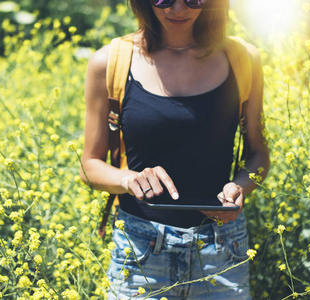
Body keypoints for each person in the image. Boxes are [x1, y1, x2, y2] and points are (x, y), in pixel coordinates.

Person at [81, 0, 270, 298]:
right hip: (141, 246)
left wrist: (240, 188)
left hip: (222, 249)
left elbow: (258, 154)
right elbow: (89, 165)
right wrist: (128, 179)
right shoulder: (110, 62)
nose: (178, 9)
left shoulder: (243, 58)